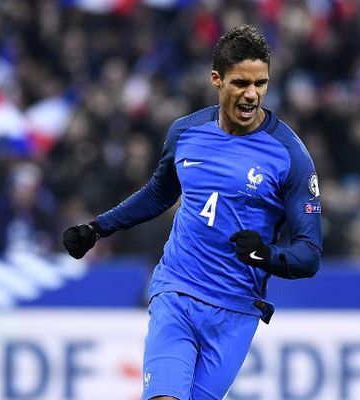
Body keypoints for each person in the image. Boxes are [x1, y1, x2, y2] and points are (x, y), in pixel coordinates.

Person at [63, 24, 322, 400]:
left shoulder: (290, 156)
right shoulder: (186, 133)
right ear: (216, 80)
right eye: (240, 83)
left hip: (235, 310)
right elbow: (158, 193)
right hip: (177, 290)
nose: (252, 95)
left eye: (261, 84)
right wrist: (97, 228)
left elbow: (310, 254)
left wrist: (267, 255)